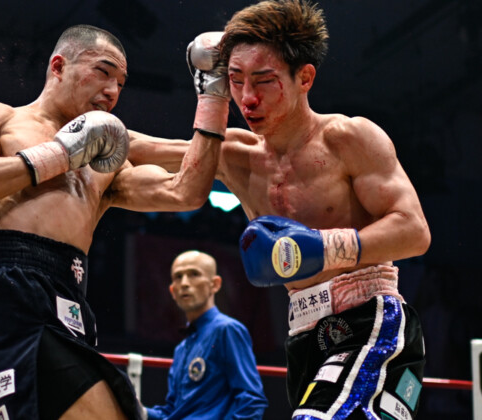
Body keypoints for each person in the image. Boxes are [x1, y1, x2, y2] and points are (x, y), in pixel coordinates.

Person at [128, 1, 431, 419]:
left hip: (368, 318)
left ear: (304, 76)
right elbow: (134, 148)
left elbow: (414, 231)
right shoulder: (236, 155)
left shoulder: (349, 138)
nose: (247, 98)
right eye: (234, 81)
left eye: (264, 81)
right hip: (303, 332)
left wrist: (323, 248)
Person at [0, 24, 227, 420]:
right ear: (58, 66)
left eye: (121, 83)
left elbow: (186, 192)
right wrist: (61, 154)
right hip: (11, 297)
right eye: (104, 71)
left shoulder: (107, 159)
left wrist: (213, 94)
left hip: (71, 304)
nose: (113, 90)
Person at [142, 250, 268, 419]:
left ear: (215, 284)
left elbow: (252, 402)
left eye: (194, 274)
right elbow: (172, 412)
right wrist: (139, 410)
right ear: (172, 291)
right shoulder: (182, 348)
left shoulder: (227, 330)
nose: (185, 283)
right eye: (178, 277)